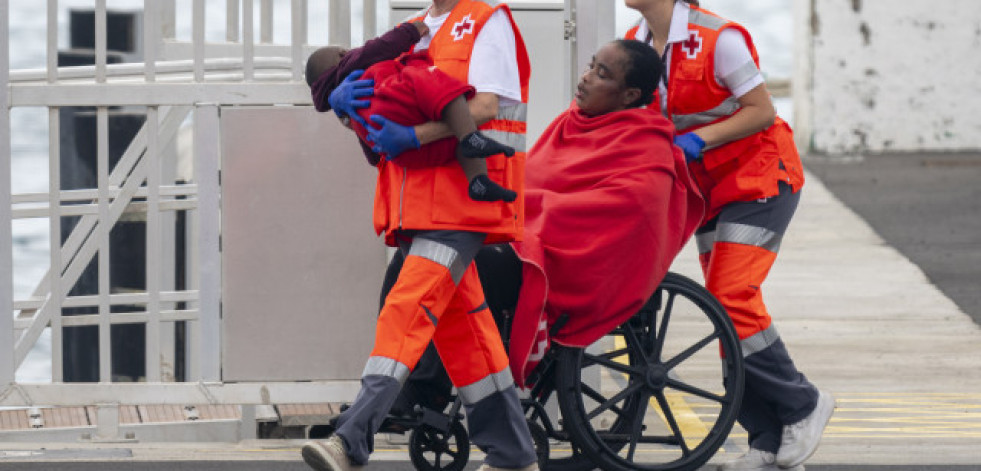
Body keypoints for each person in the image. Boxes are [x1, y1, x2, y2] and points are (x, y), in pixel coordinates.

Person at [299, 1, 538, 471]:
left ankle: (350, 440)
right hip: (413, 205)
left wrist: (415, 136)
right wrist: (345, 108)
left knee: (405, 311)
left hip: (461, 201)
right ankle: (513, 455)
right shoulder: (414, 29)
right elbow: (383, 102)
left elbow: (487, 106)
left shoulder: (485, 22)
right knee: (465, 334)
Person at [623, 1, 835, 470]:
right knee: (725, 312)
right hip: (712, 190)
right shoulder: (640, 41)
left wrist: (701, 139)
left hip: (760, 179)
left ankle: (802, 403)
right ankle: (763, 438)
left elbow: (760, 111)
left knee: (731, 297)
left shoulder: (720, 39)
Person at [507, 38, 704, 389]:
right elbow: (529, 182)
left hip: (581, 267)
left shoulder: (646, 145)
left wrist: (538, 212)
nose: (585, 78)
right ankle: (419, 392)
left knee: (476, 267)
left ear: (629, 96)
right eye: (590, 66)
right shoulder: (569, 123)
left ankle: (466, 393)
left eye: (601, 74)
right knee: (433, 258)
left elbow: (625, 214)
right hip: (530, 237)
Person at [306, 21, 518, 203]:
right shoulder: (352, 61)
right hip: (395, 104)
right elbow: (380, 48)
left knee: (452, 145)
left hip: (404, 155)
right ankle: (470, 143)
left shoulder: (347, 106)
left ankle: (478, 183)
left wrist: (345, 117)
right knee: (433, 83)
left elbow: (373, 157)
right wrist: (410, 32)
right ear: (342, 54)